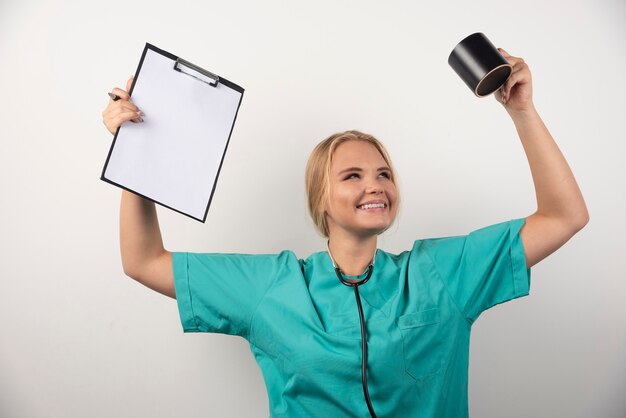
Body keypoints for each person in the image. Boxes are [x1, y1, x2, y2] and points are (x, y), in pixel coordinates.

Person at [101, 48, 588, 417]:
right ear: (321, 200)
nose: (375, 185)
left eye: (383, 174)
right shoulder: (271, 288)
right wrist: (138, 150)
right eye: (352, 176)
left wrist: (520, 109)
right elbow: (143, 261)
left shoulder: (441, 274)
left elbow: (564, 216)